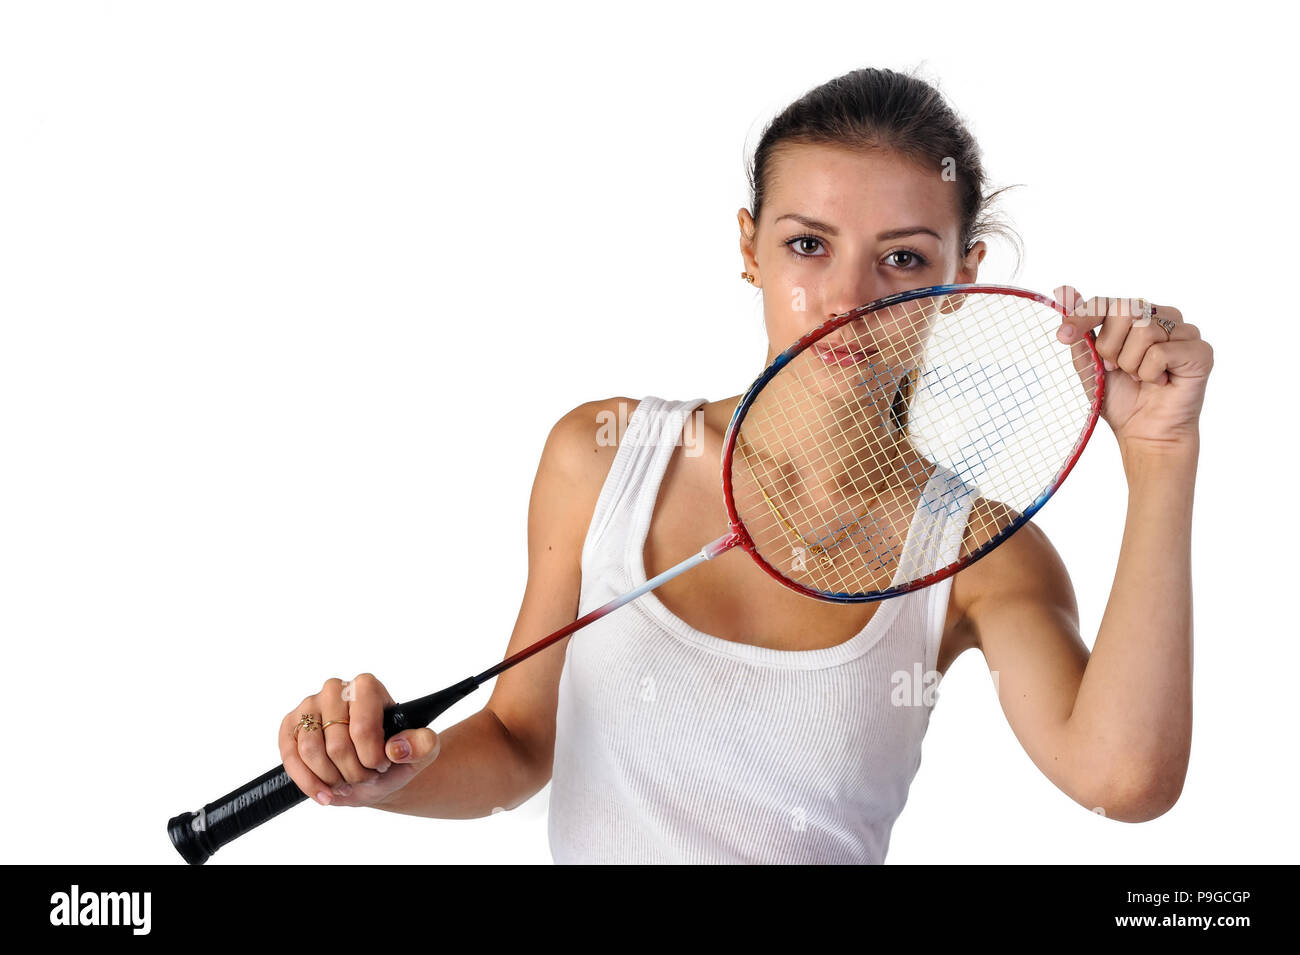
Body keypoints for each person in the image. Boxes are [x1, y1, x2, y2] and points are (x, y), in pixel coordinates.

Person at [276, 67, 1213, 863]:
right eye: (809, 244)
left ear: (962, 278)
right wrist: (390, 775)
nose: (847, 297)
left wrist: (1163, 454)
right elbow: (522, 743)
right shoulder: (602, 459)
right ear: (748, 247)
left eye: (902, 259)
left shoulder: (976, 549)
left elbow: (1122, 781)